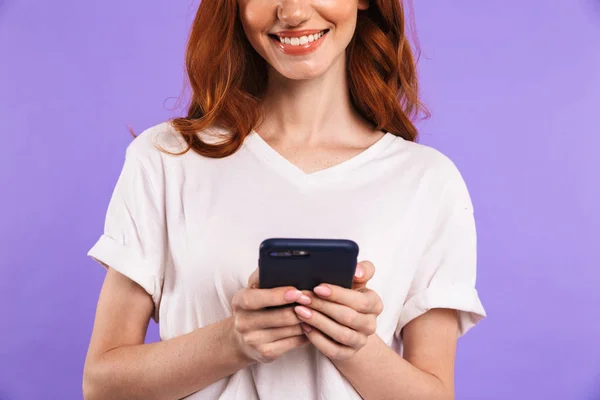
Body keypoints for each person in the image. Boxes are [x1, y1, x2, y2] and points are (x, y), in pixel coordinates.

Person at [83, 0, 486, 399]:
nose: (292, 13)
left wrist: (357, 347)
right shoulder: (166, 158)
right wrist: (233, 341)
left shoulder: (428, 181)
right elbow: (102, 385)